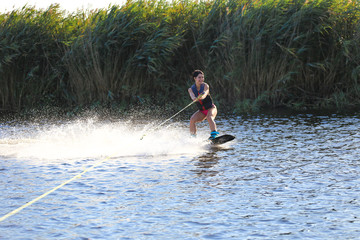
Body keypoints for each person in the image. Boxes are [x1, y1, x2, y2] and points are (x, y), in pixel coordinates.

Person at [188, 70, 219, 139]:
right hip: (202, 111)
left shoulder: (205, 86)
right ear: (195, 78)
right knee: (192, 119)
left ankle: (214, 135)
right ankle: (193, 138)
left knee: (209, 117)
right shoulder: (190, 89)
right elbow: (192, 96)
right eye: (199, 77)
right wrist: (195, 98)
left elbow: (204, 94)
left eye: (202, 77)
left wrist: (201, 97)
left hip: (211, 108)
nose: (201, 79)